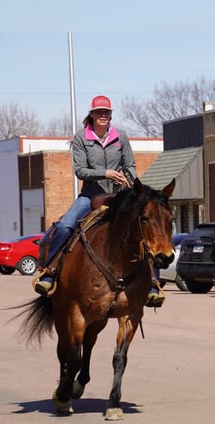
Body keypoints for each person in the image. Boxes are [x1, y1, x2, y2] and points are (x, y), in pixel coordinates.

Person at [34, 95, 164, 307]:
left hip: (119, 195)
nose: (102, 115)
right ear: (92, 115)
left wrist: (131, 182)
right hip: (90, 196)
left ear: (110, 115)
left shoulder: (120, 137)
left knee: (143, 226)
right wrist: (107, 173)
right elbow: (80, 171)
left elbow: (129, 165)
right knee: (66, 226)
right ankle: (50, 272)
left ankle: (153, 283)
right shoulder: (80, 138)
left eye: (106, 112)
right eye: (98, 112)